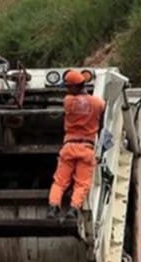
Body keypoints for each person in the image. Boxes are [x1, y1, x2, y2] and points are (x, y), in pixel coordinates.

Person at [48, 70, 106, 221]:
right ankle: (73, 209)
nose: (66, 89)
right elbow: (102, 119)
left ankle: (53, 208)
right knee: (81, 184)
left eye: (67, 86)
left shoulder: (68, 101)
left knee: (60, 181)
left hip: (69, 147)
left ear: (73, 87)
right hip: (86, 148)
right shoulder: (98, 103)